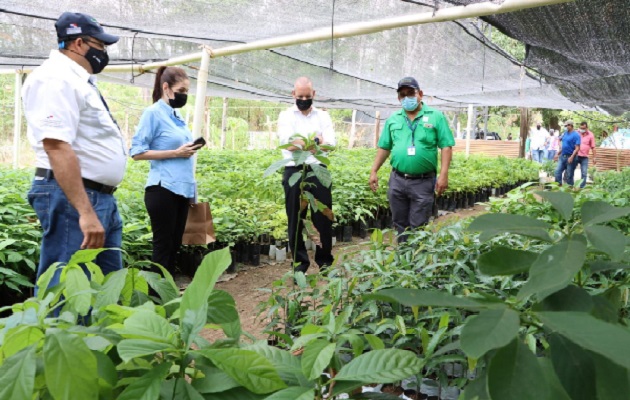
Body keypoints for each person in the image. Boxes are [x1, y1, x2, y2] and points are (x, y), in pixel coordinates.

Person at [23, 12, 126, 289]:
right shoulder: (54, 79)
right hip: (74, 197)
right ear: (79, 43)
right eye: (100, 45)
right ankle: (58, 333)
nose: (103, 52)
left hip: (96, 196)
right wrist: (85, 211)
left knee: (106, 289)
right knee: (66, 289)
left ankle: (100, 334)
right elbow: (56, 145)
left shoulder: (77, 80)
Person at [130, 67, 200, 274]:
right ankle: (157, 299)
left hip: (182, 189)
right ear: (166, 88)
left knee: (174, 247)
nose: (184, 95)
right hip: (163, 189)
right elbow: (136, 152)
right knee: (163, 248)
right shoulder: (153, 113)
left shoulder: (176, 116)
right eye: (181, 90)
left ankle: (167, 296)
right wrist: (175, 153)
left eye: (187, 91)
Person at [369, 77, 454, 242]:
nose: (407, 98)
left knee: (418, 225)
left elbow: (446, 146)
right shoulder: (393, 119)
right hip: (397, 180)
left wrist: (443, 174)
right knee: (400, 223)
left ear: (420, 94)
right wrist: (374, 170)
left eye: (411, 93)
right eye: (403, 95)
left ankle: (417, 265)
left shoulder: (436, 116)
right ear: (399, 98)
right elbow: (384, 147)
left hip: (423, 181)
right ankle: (403, 260)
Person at [277, 77, 336, 274]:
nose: (303, 99)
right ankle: (299, 265)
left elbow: (331, 144)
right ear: (293, 95)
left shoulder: (323, 116)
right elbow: (289, 145)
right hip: (294, 171)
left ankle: (325, 263)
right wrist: (316, 140)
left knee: (323, 218)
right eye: (300, 96)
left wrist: (305, 143)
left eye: (307, 96)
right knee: (295, 219)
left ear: (314, 95)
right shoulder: (285, 116)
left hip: (319, 171)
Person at [554, 120, 581, 186]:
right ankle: (558, 186)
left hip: (571, 157)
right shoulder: (565, 133)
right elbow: (562, 144)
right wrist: (557, 154)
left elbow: (577, 148)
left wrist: (572, 157)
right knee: (557, 171)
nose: (565, 127)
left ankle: (569, 189)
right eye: (565, 126)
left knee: (569, 175)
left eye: (567, 125)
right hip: (563, 156)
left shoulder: (576, 135)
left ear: (571, 126)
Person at [573, 121, 596, 188]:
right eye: (581, 128)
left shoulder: (590, 135)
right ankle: (570, 185)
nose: (582, 130)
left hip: (584, 157)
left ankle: (582, 187)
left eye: (583, 128)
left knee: (584, 173)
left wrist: (595, 157)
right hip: (576, 155)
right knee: (570, 170)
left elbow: (593, 147)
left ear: (586, 128)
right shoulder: (576, 133)